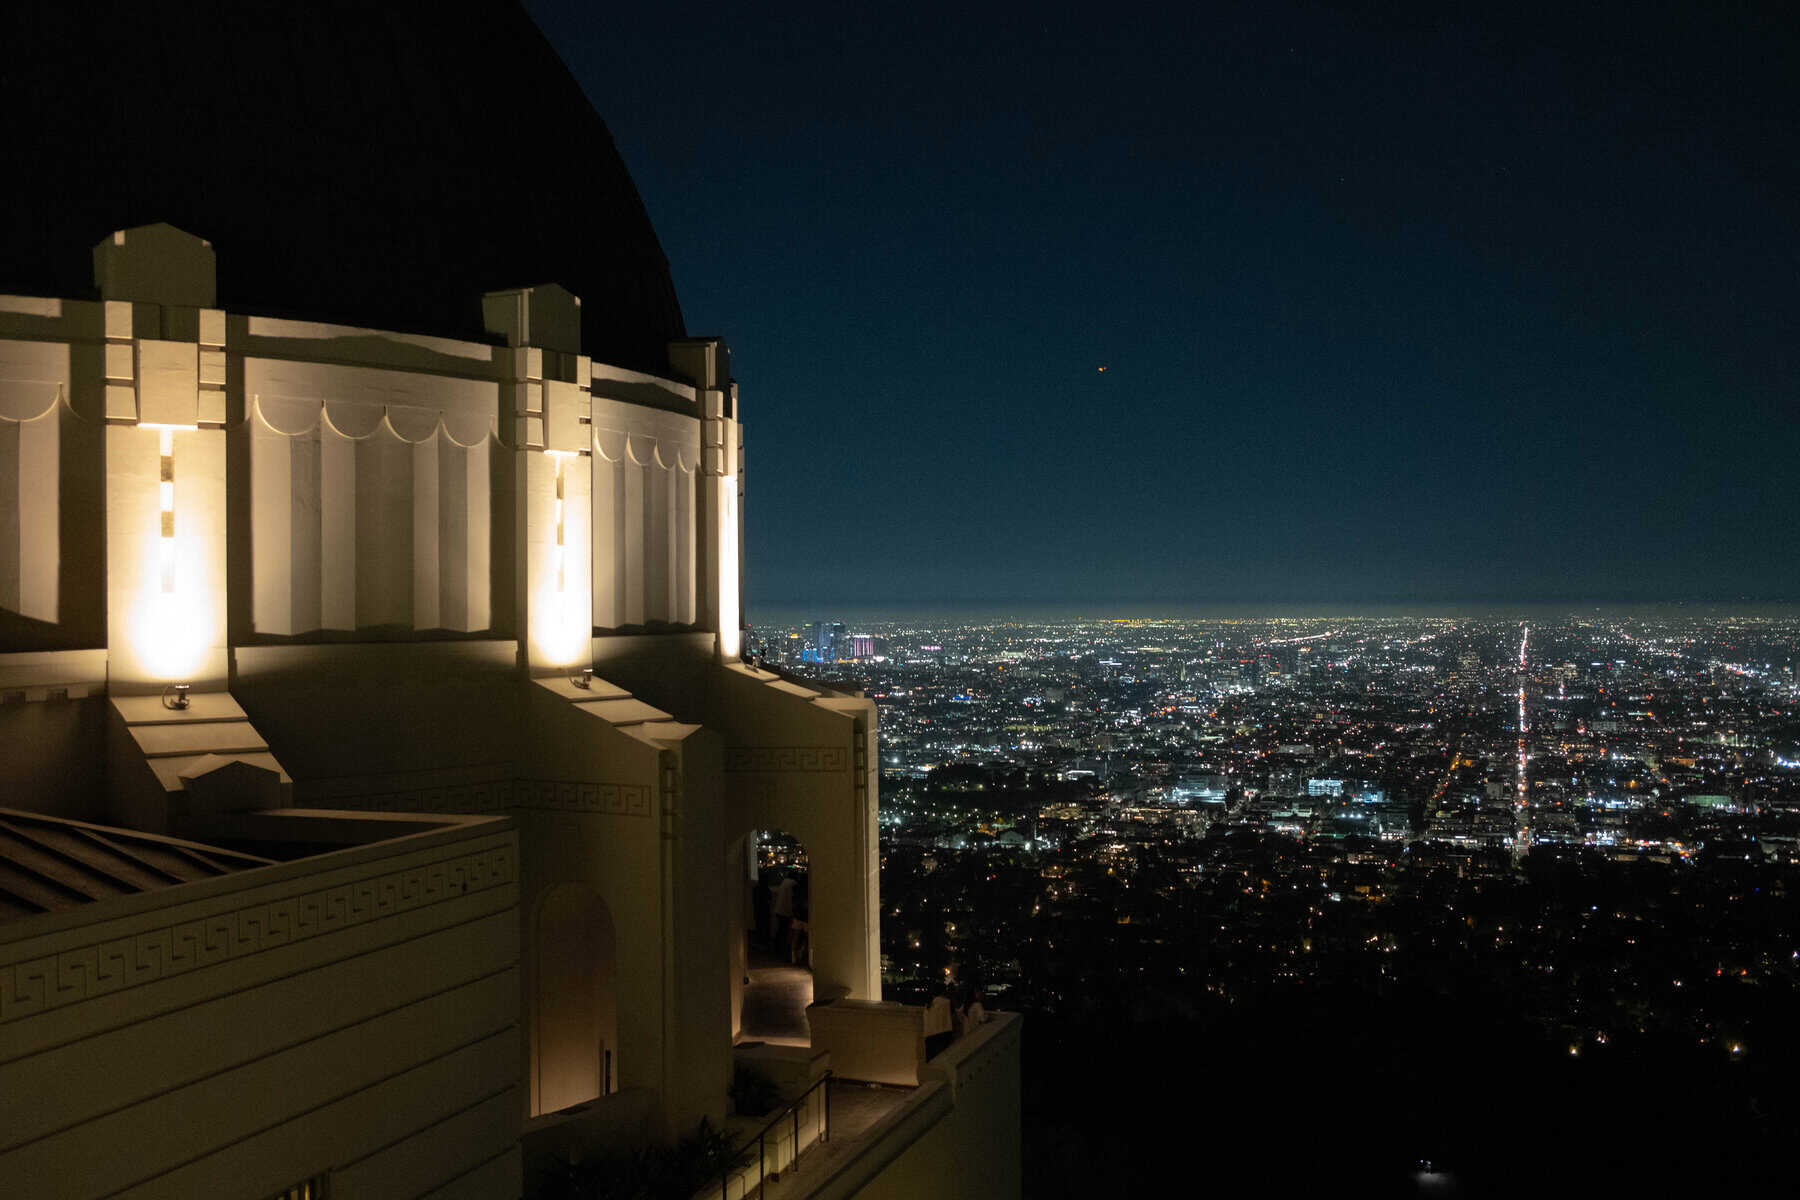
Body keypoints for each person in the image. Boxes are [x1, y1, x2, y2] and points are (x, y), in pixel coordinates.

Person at [924, 989, 954, 1058]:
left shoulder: (928, 1005)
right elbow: (953, 1015)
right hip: (943, 1034)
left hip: (929, 1036)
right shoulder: (947, 1002)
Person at [770, 871, 797, 949]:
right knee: (784, 930)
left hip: (779, 910)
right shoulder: (793, 883)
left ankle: (777, 946)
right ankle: (781, 947)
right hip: (785, 911)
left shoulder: (784, 882)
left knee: (781, 929)